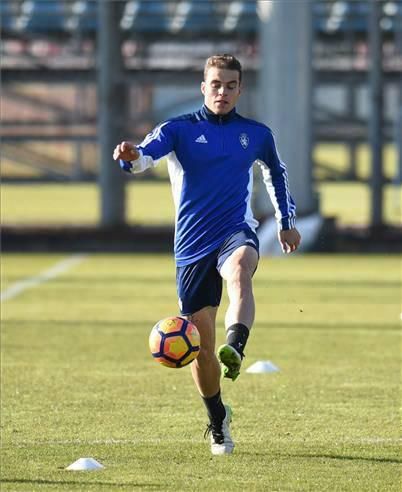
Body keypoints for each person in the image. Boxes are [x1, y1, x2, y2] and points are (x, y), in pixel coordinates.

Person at [113, 54, 301, 455]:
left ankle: (236, 344)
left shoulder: (256, 133)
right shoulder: (178, 129)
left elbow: (276, 172)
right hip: (191, 247)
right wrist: (130, 158)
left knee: (239, 274)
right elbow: (145, 155)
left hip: (236, 231)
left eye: (230, 85)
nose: (223, 92)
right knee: (199, 348)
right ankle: (218, 419)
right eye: (215, 84)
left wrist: (285, 220)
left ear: (240, 89)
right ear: (203, 87)